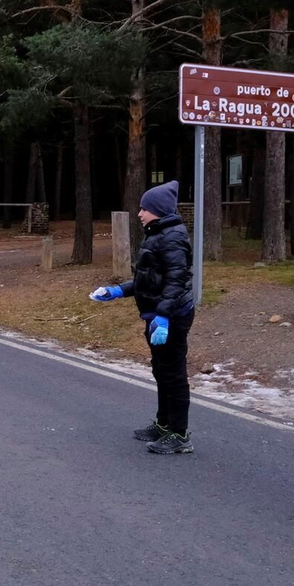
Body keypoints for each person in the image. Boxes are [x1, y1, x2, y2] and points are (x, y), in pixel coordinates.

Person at [90, 180, 196, 454]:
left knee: (173, 374)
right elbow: (149, 279)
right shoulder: (157, 233)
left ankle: (180, 434)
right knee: (161, 370)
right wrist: (117, 291)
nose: (140, 213)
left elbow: (176, 280)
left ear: (158, 210)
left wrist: (163, 317)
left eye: (144, 208)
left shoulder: (172, 236)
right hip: (157, 314)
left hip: (171, 315)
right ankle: (163, 424)